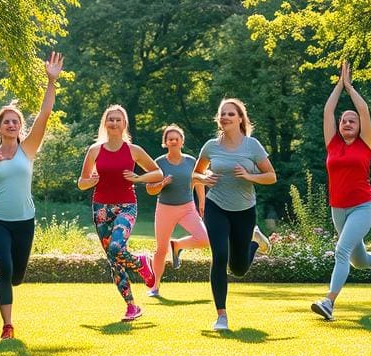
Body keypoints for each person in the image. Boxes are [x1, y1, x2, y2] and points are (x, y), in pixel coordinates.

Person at [0, 53, 63, 340]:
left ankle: (4, 267)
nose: (11, 125)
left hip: (24, 220)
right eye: (6, 122)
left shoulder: (28, 150)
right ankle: (7, 325)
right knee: (6, 269)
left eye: (15, 122)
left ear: (20, 128)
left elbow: (45, 114)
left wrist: (51, 81)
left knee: (17, 277)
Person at [310, 62, 371, 321]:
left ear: (359, 125)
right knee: (358, 260)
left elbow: (363, 109)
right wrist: (338, 85)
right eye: (344, 120)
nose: (348, 123)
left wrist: (350, 87)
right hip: (338, 208)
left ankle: (329, 302)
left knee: (341, 251)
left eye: (352, 120)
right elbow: (328, 110)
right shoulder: (332, 144)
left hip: (362, 207)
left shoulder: (365, 144)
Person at [193, 98, 276, 332]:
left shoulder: (252, 146)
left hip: (244, 210)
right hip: (216, 205)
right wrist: (203, 179)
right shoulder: (211, 146)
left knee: (238, 269)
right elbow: (195, 174)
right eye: (222, 114)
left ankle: (254, 243)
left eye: (231, 114)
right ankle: (221, 316)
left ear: (240, 119)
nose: (226, 117)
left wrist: (250, 177)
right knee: (219, 256)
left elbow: (271, 176)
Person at [77, 105, 162, 322]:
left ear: (124, 124)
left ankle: (142, 263)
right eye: (110, 120)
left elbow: (157, 173)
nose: (114, 123)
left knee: (116, 247)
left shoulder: (133, 150)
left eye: (118, 120)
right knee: (113, 259)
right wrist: (91, 181)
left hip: (126, 205)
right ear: (105, 123)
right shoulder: (95, 150)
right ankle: (132, 306)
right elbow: (81, 183)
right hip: (101, 207)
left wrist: (138, 178)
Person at [145, 124, 208, 297]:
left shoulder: (191, 161)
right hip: (165, 209)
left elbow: (198, 180)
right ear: (165, 142)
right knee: (161, 250)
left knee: (204, 239)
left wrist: (201, 202)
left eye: (176, 139)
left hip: (187, 207)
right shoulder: (159, 163)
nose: (173, 141)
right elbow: (150, 189)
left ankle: (178, 245)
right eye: (169, 139)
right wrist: (162, 184)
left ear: (181, 141)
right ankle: (154, 286)